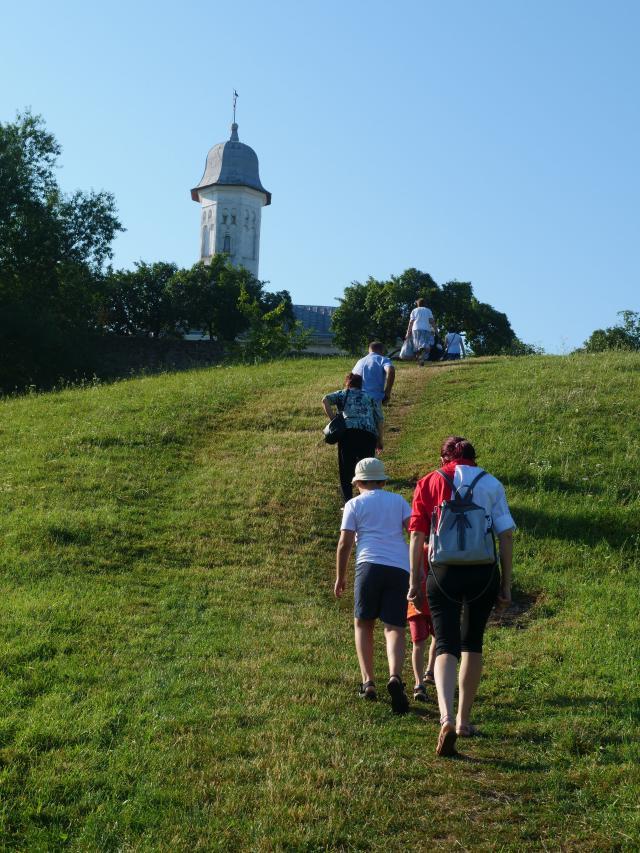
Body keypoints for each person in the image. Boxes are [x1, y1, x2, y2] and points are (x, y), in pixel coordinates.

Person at [408, 436, 515, 756]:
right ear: (474, 457)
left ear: (444, 459)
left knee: (445, 643)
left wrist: (415, 579)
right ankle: (464, 721)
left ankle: (445, 716)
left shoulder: (429, 481)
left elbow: (417, 534)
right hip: (482, 572)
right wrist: (506, 583)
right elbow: (506, 535)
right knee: (472, 643)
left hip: (442, 572)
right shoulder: (491, 483)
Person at [334, 457, 412, 713]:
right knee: (394, 627)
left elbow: (345, 543)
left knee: (363, 623)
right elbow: (414, 531)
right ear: (382, 480)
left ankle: (368, 682)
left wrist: (340, 576)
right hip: (399, 567)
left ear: (358, 482)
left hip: (368, 565)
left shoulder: (353, 504)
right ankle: (395, 676)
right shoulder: (399, 501)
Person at [323, 373, 383, 503]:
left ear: (347, 383)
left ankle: (348, 501)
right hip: (368, 434)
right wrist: (380, 440)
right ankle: (369, 498)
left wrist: (333, 418)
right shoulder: (370, 397)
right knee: (367, 468)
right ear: (361, 384)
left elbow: (325, 400)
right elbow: (379, 419)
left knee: (346, 469)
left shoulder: (343, 394)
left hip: (348, 434)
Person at [407, 568, 437, 702]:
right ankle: (430, 671)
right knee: (438, 638)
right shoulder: (440, 547)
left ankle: (419, 683)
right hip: (437, 601)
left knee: (418, 644)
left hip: (416, 603)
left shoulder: (413, 550)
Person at [351, 342, 395, 414]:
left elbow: (350, 379)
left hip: (356, 399)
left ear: (369, 350)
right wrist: (387, 391)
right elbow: (391, 370)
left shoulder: (359, 361)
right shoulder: (382, 359)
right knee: (376, 423)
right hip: (373, 399)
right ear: (381, 350)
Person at [405, 299, 435, 365]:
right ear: (425, 304)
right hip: (426, 329)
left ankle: (419, 360)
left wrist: (408, 332)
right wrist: (435, 329)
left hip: (416, 329)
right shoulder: (428, 310)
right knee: (425, 344)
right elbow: (431, 321)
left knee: (416, 345)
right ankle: (422, 357)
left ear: (417, 304)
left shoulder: (414, 310)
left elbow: (411, 322)